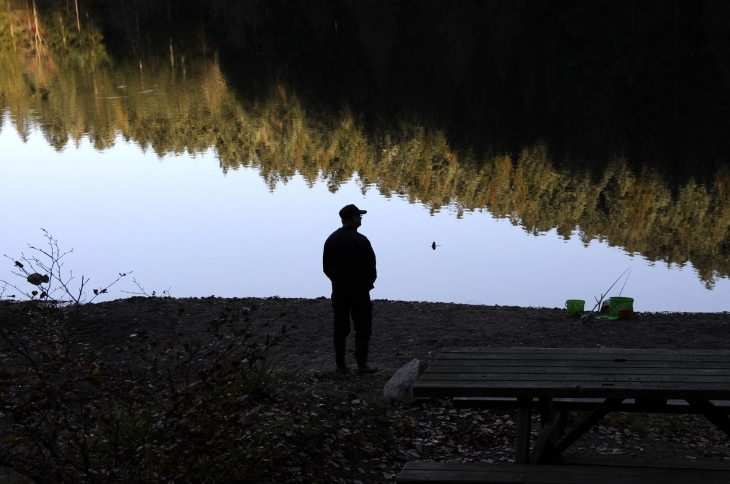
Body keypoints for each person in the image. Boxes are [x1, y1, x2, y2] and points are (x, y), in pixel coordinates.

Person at [323, 204, 378, 375]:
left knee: (340, 327)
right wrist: (367, 285)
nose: (361, 219)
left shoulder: (331, 239)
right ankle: (362, 365)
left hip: (339, 290)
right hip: (359, 291)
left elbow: (326, 267)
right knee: (362, 328)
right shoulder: (361, 240)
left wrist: (336, 281)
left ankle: (341, 366)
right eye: (359, 216)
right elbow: (371, 268)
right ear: (354, 219)